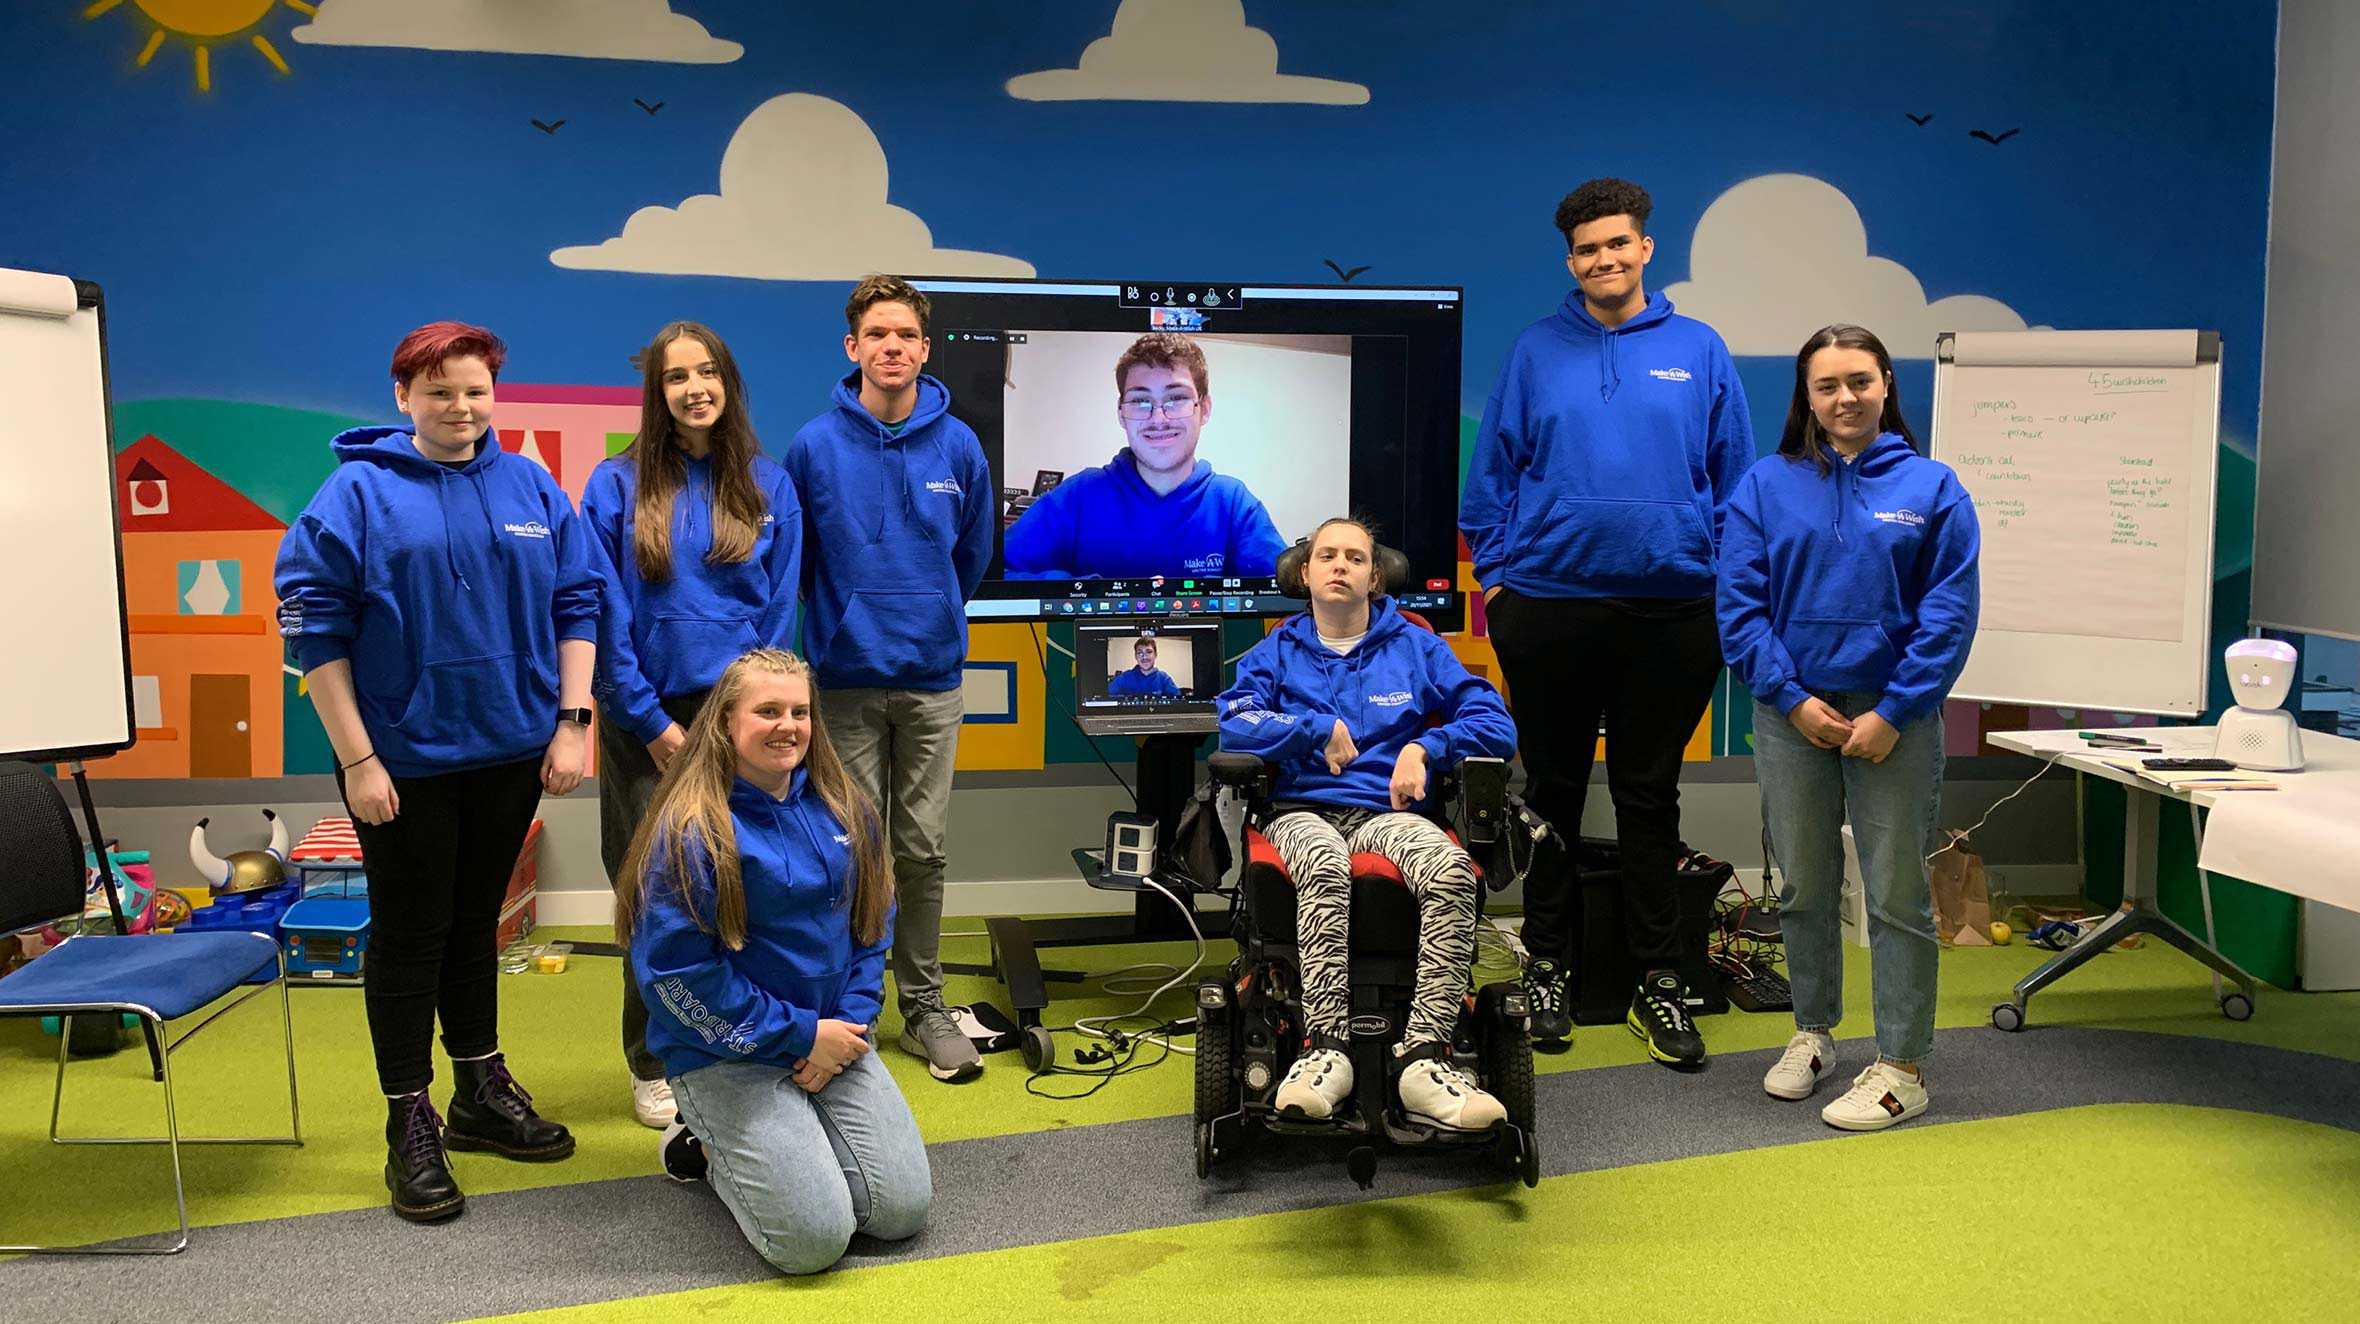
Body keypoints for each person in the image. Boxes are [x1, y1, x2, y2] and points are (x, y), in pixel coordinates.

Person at [275, 320, 599, 1223]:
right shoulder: (355, 496)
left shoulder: (531, 484)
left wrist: (571, 724)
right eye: (440, 393)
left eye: (476, 392)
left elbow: (577, 601)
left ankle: (478, 1092)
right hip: (403, 764)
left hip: (511, 751)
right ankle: (407, 1116)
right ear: (403, 398)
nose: (460, 409)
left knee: (474, 926)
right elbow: (314, 635)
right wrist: (358, 760)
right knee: (410, 936)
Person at [1460, 177, 1754, 1066]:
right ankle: (1546, 963)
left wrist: (1721, 589)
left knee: (1648, 795)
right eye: (1588, 250)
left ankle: (1658, 980)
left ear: (1645, 248)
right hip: (1548, 607)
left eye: (1617, 244)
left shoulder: (1700, 350)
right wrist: (1503, 585)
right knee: (1548, 791)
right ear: (1571, 261)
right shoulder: (1536, 351)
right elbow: (1491, 480)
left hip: (1674, 613)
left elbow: (1738, 484)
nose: (1604, 260)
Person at [1718, 324, 1979, 1130]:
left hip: (1894, 721)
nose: (1845, 398)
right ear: (1808, 397)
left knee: (1897, 893)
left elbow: (1949, 614)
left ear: (1886, 384)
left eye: (1859, 381)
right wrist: (1792, 699)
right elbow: (1740, 607)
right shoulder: (1764, 486)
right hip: (1791, 715)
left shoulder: (1935, 489)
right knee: (1802, 884)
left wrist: (1894, 712)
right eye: (1827, 385)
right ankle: (1815, 1032)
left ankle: (1903, 1063)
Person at [617, 648, 931, 1274]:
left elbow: (873, 925)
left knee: (900, 1213)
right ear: (726, 723)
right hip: (728, 1053)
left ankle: (792, 1133)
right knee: (812, 1241)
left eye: (800, 711)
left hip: (834, 1038)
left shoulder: (844, 805)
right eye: (767, 711)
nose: (788, 726)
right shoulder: (692, 828)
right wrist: (799, 1035)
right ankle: (700, 1146)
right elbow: (677, 978)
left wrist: (848, 1024)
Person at [1216, 518, 1520, 1129]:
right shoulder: (1275, 651)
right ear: (1304, 574)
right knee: (1323, 862)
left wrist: (1429, 748)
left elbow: (1495, 722)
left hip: (1390, 813)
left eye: (1355, 558)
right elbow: (1233, 726)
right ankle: (1326, 1051)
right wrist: (1312, 729)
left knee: (1453, 871)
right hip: (1302, 811)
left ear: (1375, 577)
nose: (1339, 566)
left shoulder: (1416, 646)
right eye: (1326, 556)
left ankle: (1424, 1062)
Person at [582, 320, 802, 1129]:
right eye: (677, 376)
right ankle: (654, 1061)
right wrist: (647, 722)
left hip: (737, 720)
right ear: (658, 392)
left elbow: (778, 616)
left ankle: (744, 1039)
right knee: (653, 896)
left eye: (707, 371)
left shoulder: (769, 485)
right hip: (644, 722)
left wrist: (745, 721)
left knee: (747, 886)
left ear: (727, 382)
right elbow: (604, 614)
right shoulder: (615, 485)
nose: (694, 388)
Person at [787, 274, 994, 1083]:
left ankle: (926, 1008)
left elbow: (970, 558)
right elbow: (800, 566)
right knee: (851, 850)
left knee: (922, 850)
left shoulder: (960, 447)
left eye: (905, 335)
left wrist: (932, 615)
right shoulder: (814, 446)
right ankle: (850, 1008)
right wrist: (845, 626)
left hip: (934, 680)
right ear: (854, 348)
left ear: (924, 348)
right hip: (841, 682)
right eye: (877, 335)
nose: (892, 348)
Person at [1001, 332, 1286, 580]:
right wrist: (1091, 593)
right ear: (1121, 413)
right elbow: (1000, 571)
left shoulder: (1233, 503)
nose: (1159, 418)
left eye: (1176, 398)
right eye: (1140, 401)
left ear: (1205, 408)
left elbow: (1286, 593)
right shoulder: (1080, 494)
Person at [1106, 633, 1181, 697]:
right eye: (1140, 653)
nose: (1144, 657)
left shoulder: (1164, 678)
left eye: (1149, 652)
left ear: (1155, 655)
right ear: (1135, 656)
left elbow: (1178, 700)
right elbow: (1106, 696)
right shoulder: (1124, 677)